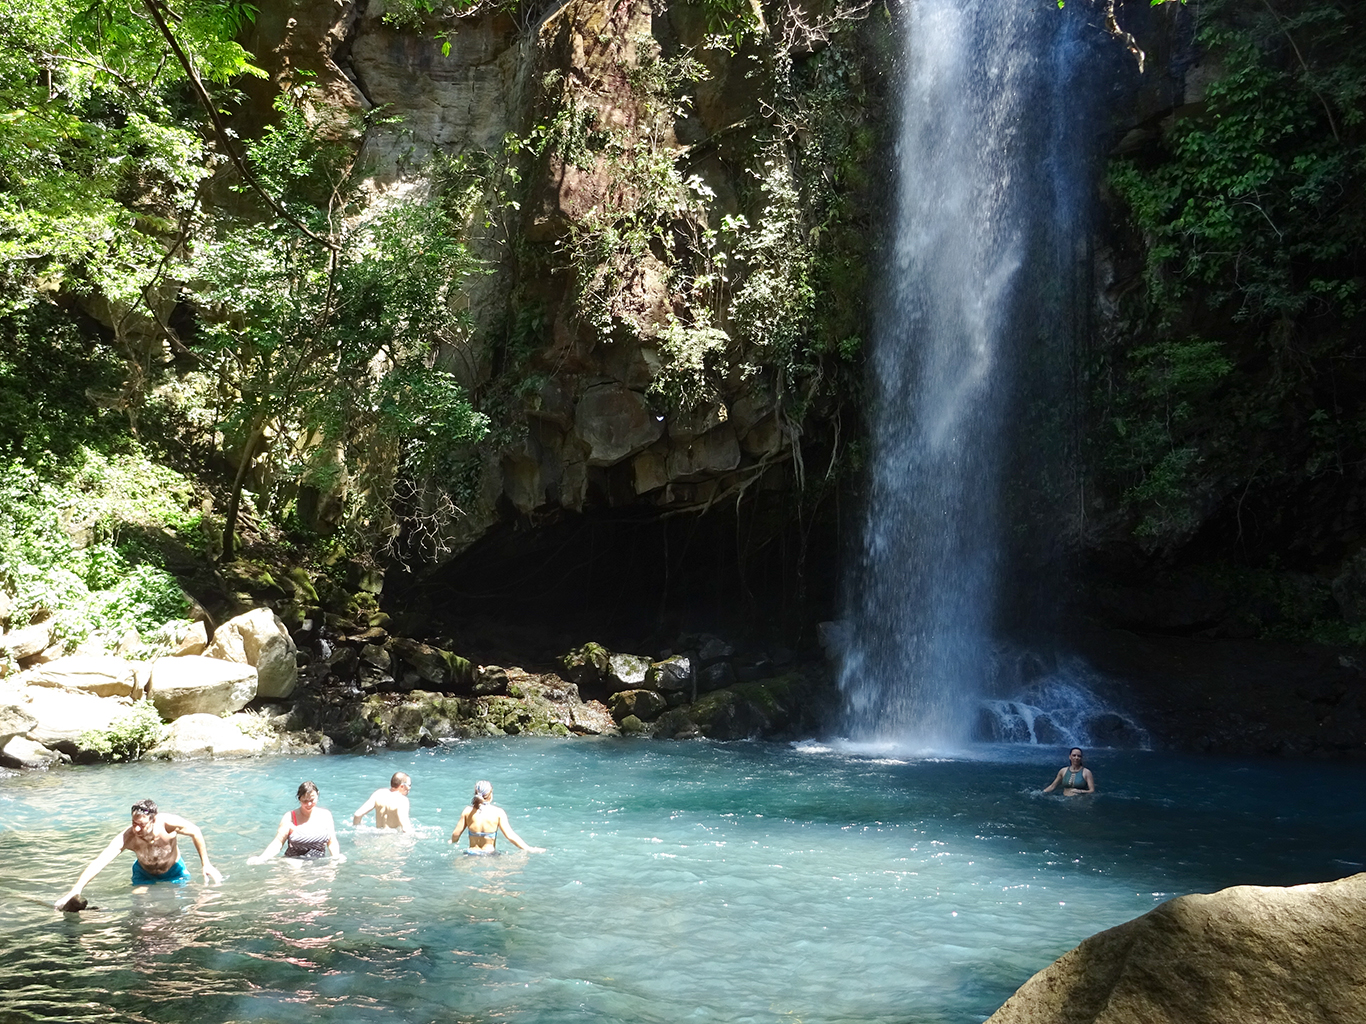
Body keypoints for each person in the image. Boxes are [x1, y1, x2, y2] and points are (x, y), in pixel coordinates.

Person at [55, 799, 223, 908]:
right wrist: (75, 890)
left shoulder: (168, 825)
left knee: (183, 905)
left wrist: (205, 863)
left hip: (175, 871)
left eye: (141, 825)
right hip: (144, 874)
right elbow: (100, 862)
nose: (136, 828)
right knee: (140, 905)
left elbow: (196, 831)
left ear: (153, 820)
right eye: (133, 823)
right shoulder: (128, 837)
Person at [249, 781, 346, 863]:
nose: (309, 804)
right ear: (299, 799)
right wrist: (262, 858)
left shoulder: (326, 815)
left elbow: (332, 841)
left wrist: (336, 857)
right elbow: (278, 842)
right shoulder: (290, 817)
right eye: (305, 801)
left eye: (312, 800)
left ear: (317, 795)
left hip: (318, 863)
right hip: (293, 862)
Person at [450, 780, 540, 853]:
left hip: (471, 853)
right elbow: (510, 836)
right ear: (490, 794)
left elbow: (456, 834)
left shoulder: (467, 811)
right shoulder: (498, 812)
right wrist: (528, 848)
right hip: (489, 854)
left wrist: (452, 841)